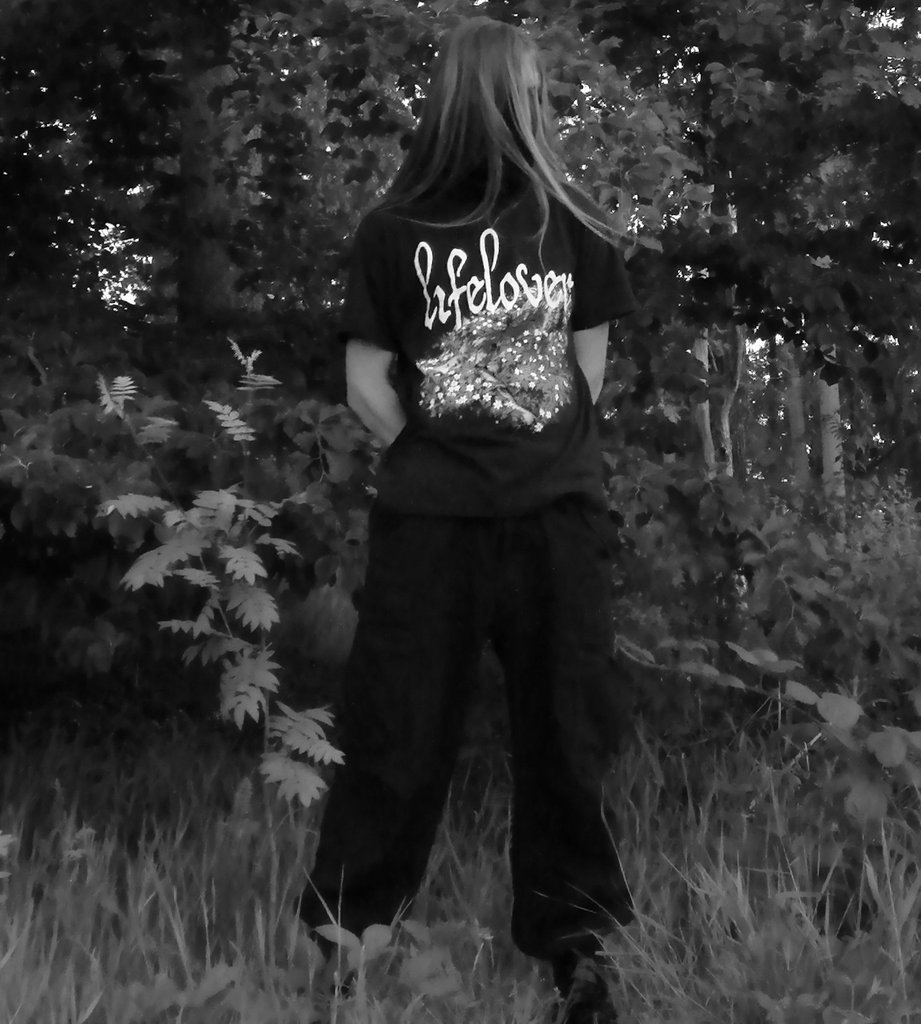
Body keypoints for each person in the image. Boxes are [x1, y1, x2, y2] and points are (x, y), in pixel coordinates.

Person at [299, 15, 637, 1024]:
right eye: (527, 87)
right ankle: (348, 945)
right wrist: (441, 456)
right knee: (396, 733)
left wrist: (519, 449)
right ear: (484, 97)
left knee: (566, 738)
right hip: (430, 528)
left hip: (557, 522)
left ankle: (579, 958)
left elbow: (586, 370)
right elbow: (365, 382)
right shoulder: (392, 231)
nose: (537, 103)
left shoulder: (571, 219)